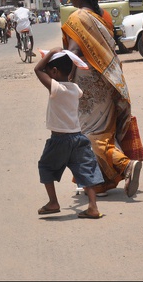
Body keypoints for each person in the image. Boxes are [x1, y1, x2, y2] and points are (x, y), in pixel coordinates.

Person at [61, 0, 143, 197]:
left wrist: (56, 68)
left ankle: (126, 165)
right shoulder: (104, 17)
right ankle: (99, 183)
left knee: (88, 136)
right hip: (110, 81)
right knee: (104, 132)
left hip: (88, 88)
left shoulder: (77, 19)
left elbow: (74, 53)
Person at [33, 47, 104, 219]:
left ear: (55, 71)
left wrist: (51, 53)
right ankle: (93, 207)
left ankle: (53, 202)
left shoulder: (57, 89)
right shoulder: (74, 89)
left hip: (60, 138)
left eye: (50, 71)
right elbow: (69, 77)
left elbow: (37, 69)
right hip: (78, 137)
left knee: (46, 167)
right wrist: (70, 60)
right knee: (86, 170)